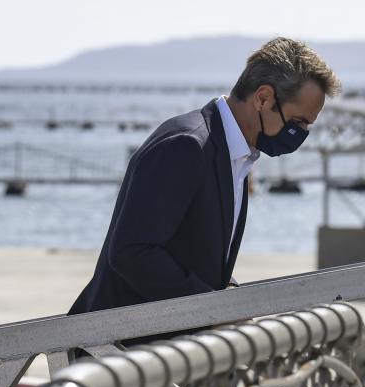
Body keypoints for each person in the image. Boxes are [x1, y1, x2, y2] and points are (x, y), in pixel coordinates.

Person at [69, 38, 340, 325]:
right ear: (262, 98)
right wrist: (214, 313)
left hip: (167, 351)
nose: (300, 134)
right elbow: (131, 253)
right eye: (297, 122)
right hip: (118, 353)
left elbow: (197, 255)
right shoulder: (186, 146)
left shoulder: (235, 155)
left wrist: (229, 293)